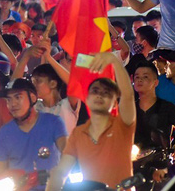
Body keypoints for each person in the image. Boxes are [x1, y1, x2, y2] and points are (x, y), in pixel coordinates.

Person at [47, 51, 136, 190]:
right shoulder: (78, 133)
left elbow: (128, 96)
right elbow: (61, 172)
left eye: (106, 93)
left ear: (114, 102)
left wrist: (114, 61)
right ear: (87, 98)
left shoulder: (123, 125)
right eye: (95, 91)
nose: (100, 95)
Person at [0, 79, 67, 187]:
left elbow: (67, 152)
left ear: (32, 98)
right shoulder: (5, 132)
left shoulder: (54, 122)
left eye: (18, 97)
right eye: (9, 100)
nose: (12, 104)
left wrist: (59, 174)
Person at [133, 62, 175, 156]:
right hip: (133, 159)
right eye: (137, 77)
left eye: (145, 77)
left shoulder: (167, 107)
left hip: (160, 160)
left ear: (156, 82)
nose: (140, 80)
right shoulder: (129, 109)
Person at [31, 63, 81, 135]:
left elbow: (74, 85)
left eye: (38, 81)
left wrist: (50, 58)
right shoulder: (35, 107)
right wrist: (26, 56)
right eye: (33, 82)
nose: (33, 86)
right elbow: (12, 87)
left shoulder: (67, 105)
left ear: (53, 84)